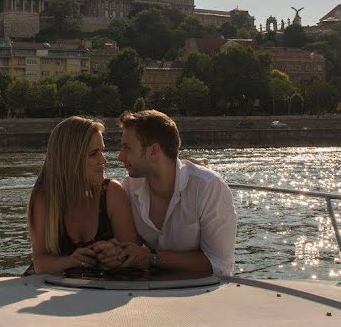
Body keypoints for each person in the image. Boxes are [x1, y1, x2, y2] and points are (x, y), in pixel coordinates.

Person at [98, 109, 237, 277]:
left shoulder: (208, 187)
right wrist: (113, 252)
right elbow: (131, 249)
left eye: (127, 148)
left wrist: (153, 258)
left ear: (153, 152)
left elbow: (220, 265)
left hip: (199, 294)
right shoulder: (129, 186)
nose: (120, 157)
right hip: (148, 292)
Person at [26, 116, 138, 274]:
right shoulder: (45, 199)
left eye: (102, 151)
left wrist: (116, 255)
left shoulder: (111, 193)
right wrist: (71, 261)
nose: (103, 160)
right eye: (93, 154)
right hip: (51, 289)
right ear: (70, 158)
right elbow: (40, 264)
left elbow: (134, 256)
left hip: (103, 290)